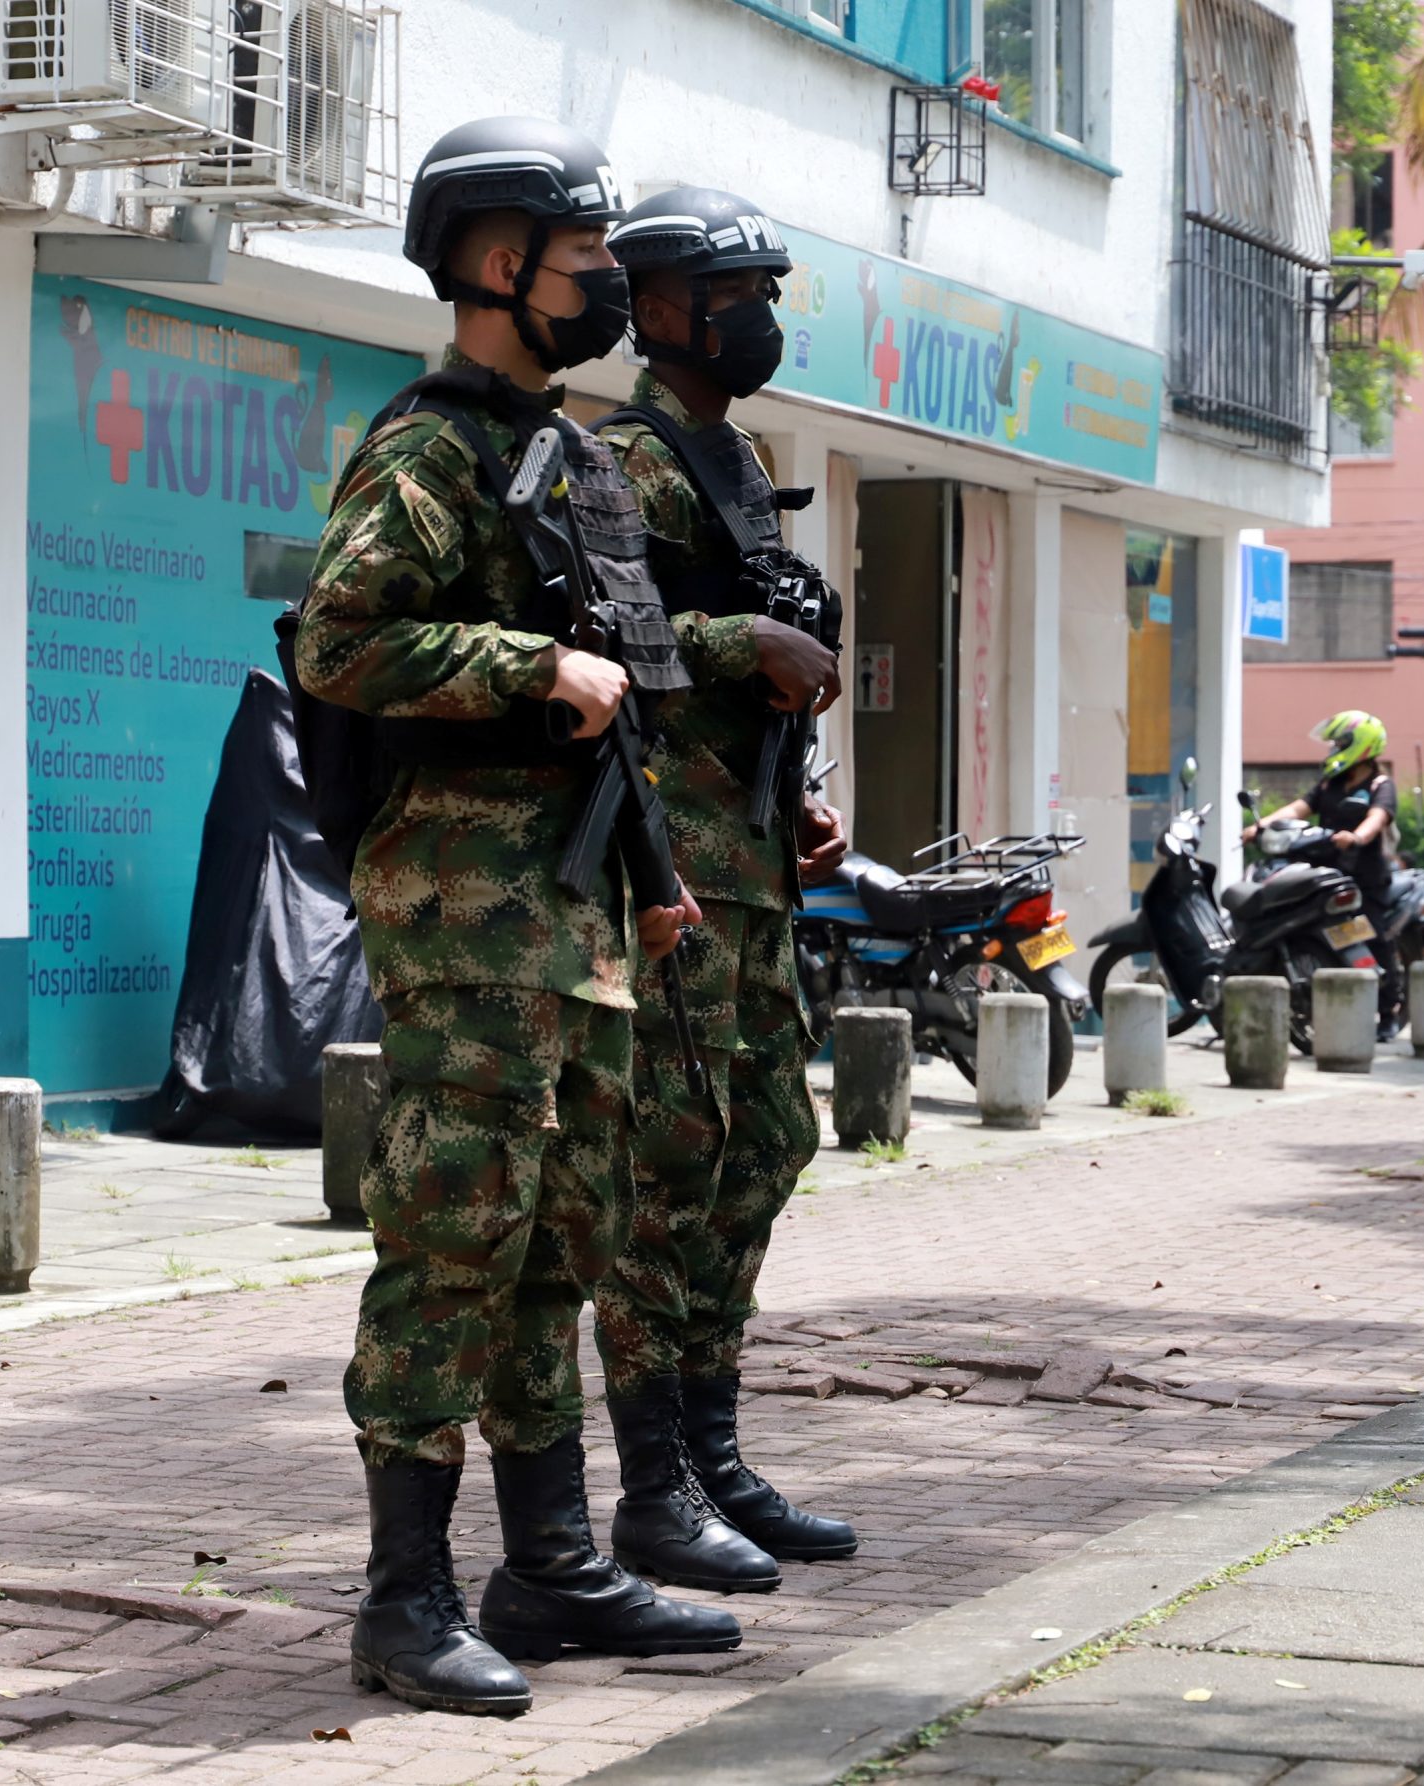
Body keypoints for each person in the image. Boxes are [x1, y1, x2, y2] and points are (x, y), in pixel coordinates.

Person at [296, 115, 737, 1720]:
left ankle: (549, 1563)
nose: (609, 285)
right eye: (588, 259)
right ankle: (400, 1596)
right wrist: (528, 665)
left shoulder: (568, 454)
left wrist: (658, 885)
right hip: (466, 905)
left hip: (576, 905)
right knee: (453, 1232)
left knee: (563, 1237)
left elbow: (625, 699)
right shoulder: (432, 450)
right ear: (500, 265)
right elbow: (338, 639)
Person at [589, 189, 856, 1592]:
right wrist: (741, 638)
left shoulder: (736, 458)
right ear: (660, 307)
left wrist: (792, 788)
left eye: (766, 292)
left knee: (763, 1148)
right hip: (669, 874)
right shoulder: (617, 458)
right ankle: (655, 1488)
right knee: (667, 1170)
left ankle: (715, 1454)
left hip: (747, 865)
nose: (759, 317)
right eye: (734, 293)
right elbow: (604, 639)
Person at [1242, 711, 1402, 1036]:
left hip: (1365, 878)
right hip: (1326, 871)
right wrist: (1261, 826)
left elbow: (1377, 818)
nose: (1334, 749)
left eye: (1340, 743)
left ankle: (1388, 1012)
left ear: (1361, 745)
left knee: (1371, 935)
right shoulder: (1331, 783)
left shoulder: (1380, 784)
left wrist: (1356, 836)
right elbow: (1298, 809)